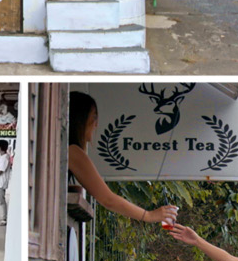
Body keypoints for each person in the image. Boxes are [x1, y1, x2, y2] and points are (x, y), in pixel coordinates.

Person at [66, 92, 180, 226]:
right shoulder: (73, 151)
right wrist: (149, 215)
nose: (96, 124)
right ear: (80, 119)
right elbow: (107, 199)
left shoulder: (68, 149)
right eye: (94, 117)